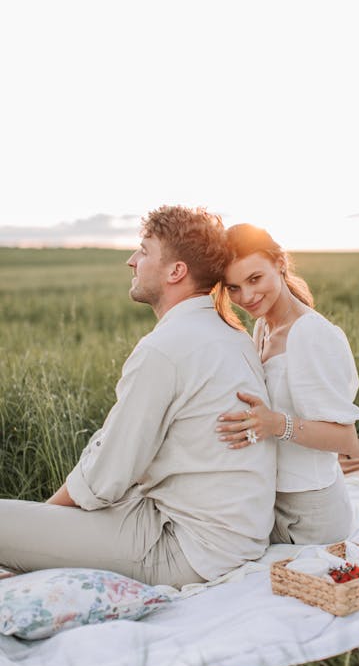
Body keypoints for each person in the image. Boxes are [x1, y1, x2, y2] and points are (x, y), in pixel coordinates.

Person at [0, 206, 277, 588]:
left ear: (175, 271)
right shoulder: (232, 335)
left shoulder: (165, 349)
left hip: (188, 549)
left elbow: (106, 477)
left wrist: (41, 523)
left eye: (144, 251)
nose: (131, 261)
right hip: (227, 536)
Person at [215, 223, 359, 545]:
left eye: (255, 279)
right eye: (234, 288)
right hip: (272, 503)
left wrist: (275, 424)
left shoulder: (310, 334)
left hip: (312, 513)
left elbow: (347, 439)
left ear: (280, 263)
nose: (247, 296)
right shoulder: (262, 328)